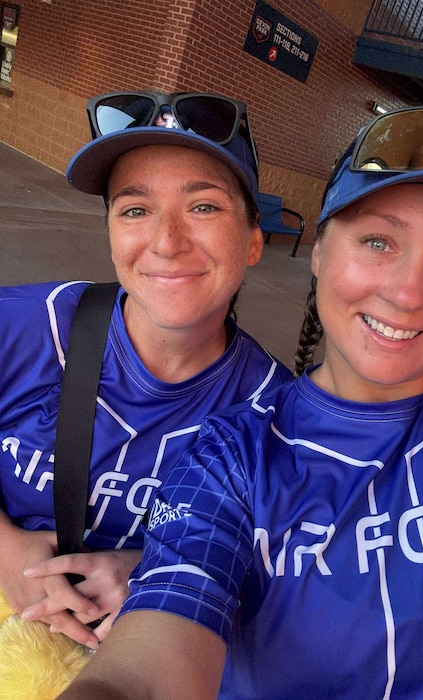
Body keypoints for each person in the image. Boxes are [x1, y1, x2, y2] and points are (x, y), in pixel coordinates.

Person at [58, 106, 423, 699]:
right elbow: (145, 669)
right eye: (378, 241)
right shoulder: (226, 454)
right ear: (320, 253)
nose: (408, 293)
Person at [0, 89, 291, 651]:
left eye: (203, 206)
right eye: (135, 209)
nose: (166, 241)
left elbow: (274, 573)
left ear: (254, 240)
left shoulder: (274, 416)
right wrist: (6, 548)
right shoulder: (25, 327)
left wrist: (150, 572)